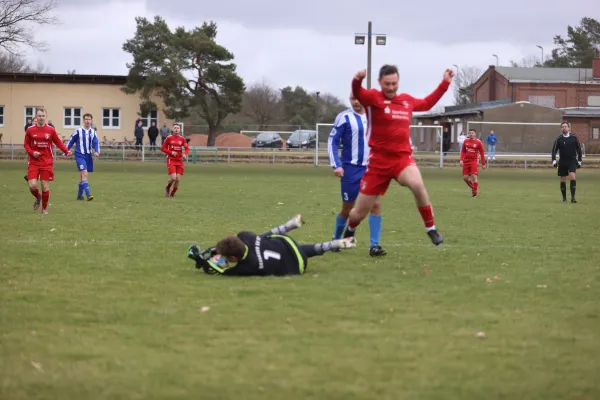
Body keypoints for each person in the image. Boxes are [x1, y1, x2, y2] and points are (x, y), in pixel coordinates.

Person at [342, 65, 453, 247]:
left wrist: (445, 83)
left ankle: (431, 228)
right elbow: (357, 92)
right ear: (380, 82)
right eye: (387, 84)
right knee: (358, 213)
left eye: (394, 83)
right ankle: (350, 230)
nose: (391, 88)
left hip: (401, 160)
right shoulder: (372, 98)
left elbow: (427, 103)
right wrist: (358, 79)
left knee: (417, 184)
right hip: (378, 163)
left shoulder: (406, 101)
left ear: (398, 81)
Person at [187, 214, 356, 276]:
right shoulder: (245, 236)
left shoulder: (247, 266)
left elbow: (222, 271)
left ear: (233, 258)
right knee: (267, 239)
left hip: (295, 267)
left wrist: (206, 260)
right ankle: (287, 227)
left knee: (295, 253)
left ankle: (330, 245)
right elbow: (262, 237)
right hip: (286, 245)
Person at [328, 94, 385, 257]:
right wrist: (336, 165)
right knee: (348, 209)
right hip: (350, 169)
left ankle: (375, 246)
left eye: (358, 98)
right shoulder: (344, 117)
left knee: (375, 205)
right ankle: (336, 240)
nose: (356, 101)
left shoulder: (372, 117)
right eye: (353, 98)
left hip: (371, 169)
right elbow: (332, 141)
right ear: (350, 99)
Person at [24, 107, 71, 214]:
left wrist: (66, 151)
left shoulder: (50, 130)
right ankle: (38, 197)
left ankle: (44, 209)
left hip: (46, 162)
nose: (41, 118)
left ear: (46, 117)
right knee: (32, 185)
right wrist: (32, 152)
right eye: (39, 116)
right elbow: (26, 144)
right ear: (36, 117)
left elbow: (58, 142)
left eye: (43, 116)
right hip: (34, 162)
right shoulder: (30, 130)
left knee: (44, 185)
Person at [66, 113, 100, 201]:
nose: (87, 121)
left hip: (88, 155)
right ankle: (88, 195)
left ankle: (80, 196)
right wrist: (65, 151)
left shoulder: (93, 132)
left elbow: (95, 142)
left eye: (89, 119)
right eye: (86, 119)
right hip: (79, 155)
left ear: (91, 121)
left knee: (82, 176)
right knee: (85, 173)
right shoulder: (78, 131)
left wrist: (96, 151)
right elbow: (71, 140)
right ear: (83, 120)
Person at [551, 121, 582, 203]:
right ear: (561, 128)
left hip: (572, 160)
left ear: (568, 128)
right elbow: (554, 150)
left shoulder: (574, 137)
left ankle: (573, 198)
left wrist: (579, 161)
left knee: (572, 176)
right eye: (562, 126)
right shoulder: (559, 139)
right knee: (563, 179)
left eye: (565, 126)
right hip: (562, 161)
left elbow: (579, 150)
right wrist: (554, 160)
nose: (564, 128)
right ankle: (564, 198)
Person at [161, 123, 189, 197]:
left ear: (180, 130)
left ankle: (172, 193)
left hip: (179, 160)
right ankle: (167, 187)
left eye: (178, 128)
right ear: (172, 129)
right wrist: (171, 152)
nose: (176, 129)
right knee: (173, 177)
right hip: (171, 159)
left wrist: (185, 154)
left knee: (178, 179)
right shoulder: (169, 138)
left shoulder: (182, 139)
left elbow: (187, 148)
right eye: (175, 128)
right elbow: (163, 148)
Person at [460, 128, 486, 197]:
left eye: (472, 133)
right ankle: (473, 187)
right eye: (470, 133)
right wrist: (461, 160)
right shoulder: (466, 141)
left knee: (474, 176)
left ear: (475, 134)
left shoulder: (478, 142)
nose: (471, 134)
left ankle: (474, 193)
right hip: (466, 161)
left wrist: (483, 163)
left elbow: (482, 153)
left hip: (474, 161)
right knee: (465, 178)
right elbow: (463, 151)